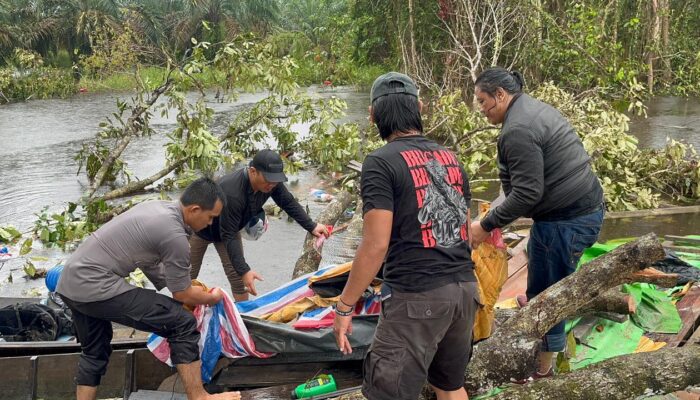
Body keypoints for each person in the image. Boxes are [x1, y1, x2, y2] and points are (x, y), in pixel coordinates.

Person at [333, 72, 479, 400]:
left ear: (373, 115)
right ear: (420, 108)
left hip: (417, 297)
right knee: (450, 386)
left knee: (388, 393)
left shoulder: (380, 163)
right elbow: (465, 231)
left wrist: (344, 306)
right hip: (464, 292)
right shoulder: (451, 158)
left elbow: (375, 244)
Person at [469, 67, 605, 382]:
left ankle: (542, 370)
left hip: (566, 223)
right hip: (582, 210)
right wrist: (491, 214)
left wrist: (485, 225)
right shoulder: (533, 109)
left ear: (500, 95)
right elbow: (519, 186)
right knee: (541, 273)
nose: (481, 109)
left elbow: (528, 194)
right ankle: (535, 303)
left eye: (483, 101)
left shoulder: (517, 130)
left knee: (548, 298)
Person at [56, 178, 240, 400]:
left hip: (70, 283)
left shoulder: (157, 207)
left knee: (95, 351)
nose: (211, 224)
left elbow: (147, 261)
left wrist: (179, 285)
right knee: (182, 323)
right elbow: (182, 294)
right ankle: (199, 396)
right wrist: (211, 298)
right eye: (211, 217)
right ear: (194, 209)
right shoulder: (175, 236)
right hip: (96, 285)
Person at [191, 149, 329, 300]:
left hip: (231, 227)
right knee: (188, 275)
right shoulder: (233, 192)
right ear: (253, 171)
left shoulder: (271, 184)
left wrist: (312, 225)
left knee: (238, 278)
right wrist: (245, 270)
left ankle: (243, 316)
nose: (272, 184)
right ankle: (180, 316)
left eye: (276, 180)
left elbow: (287, 202)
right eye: (269, 180)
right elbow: (228, 234)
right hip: (200, 228)